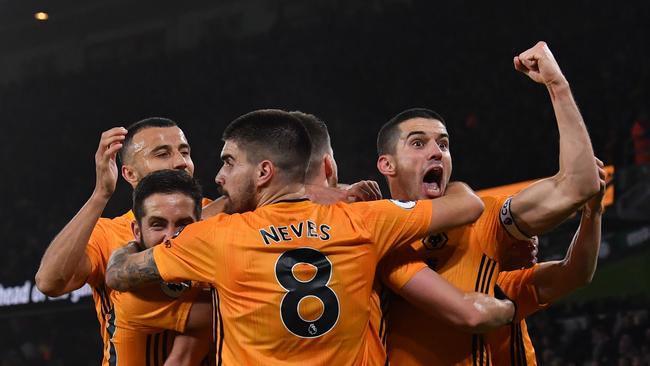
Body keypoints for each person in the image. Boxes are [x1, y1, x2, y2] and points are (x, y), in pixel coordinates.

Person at [104, 109, 499, 365]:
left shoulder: (215, 237)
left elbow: (120, 273)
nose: (219, 177)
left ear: (263, 173)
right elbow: (467, 206)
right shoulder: (362, 220)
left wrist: (130, 240)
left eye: (228, 162)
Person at [376, 41, 601, 365]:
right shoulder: (368, 229)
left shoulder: (486, 218)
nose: (437, 151)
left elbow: (577, 186)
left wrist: (557, 85)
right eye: (418, 143)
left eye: (443, 144)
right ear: (387, 165)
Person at [295, 111, 519, 364]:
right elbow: (469, 206)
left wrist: (313, 192)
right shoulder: (364, 224)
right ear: (329, 166)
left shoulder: (244, 226)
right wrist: (511, 307)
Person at [34, 117, 212, 365]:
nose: (180, 162)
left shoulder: (221, 219)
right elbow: (50, 282)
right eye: (162, 153)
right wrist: (100, 194)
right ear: (129, 173)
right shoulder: (109, 232)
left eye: (185, 152)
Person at [487, 163, 606, 365]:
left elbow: (576, 271)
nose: (534, 240)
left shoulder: (508, 281)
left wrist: (592, 210)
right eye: (523, 234)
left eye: (534, 233)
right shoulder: (498, 284)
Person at [109, 169, 212, 366]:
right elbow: (231, 307)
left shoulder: (203, 264)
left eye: (183, 224)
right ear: (137, 232)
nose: (170, 238)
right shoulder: (135, 291)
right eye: (158, 225)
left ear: (200, 225)